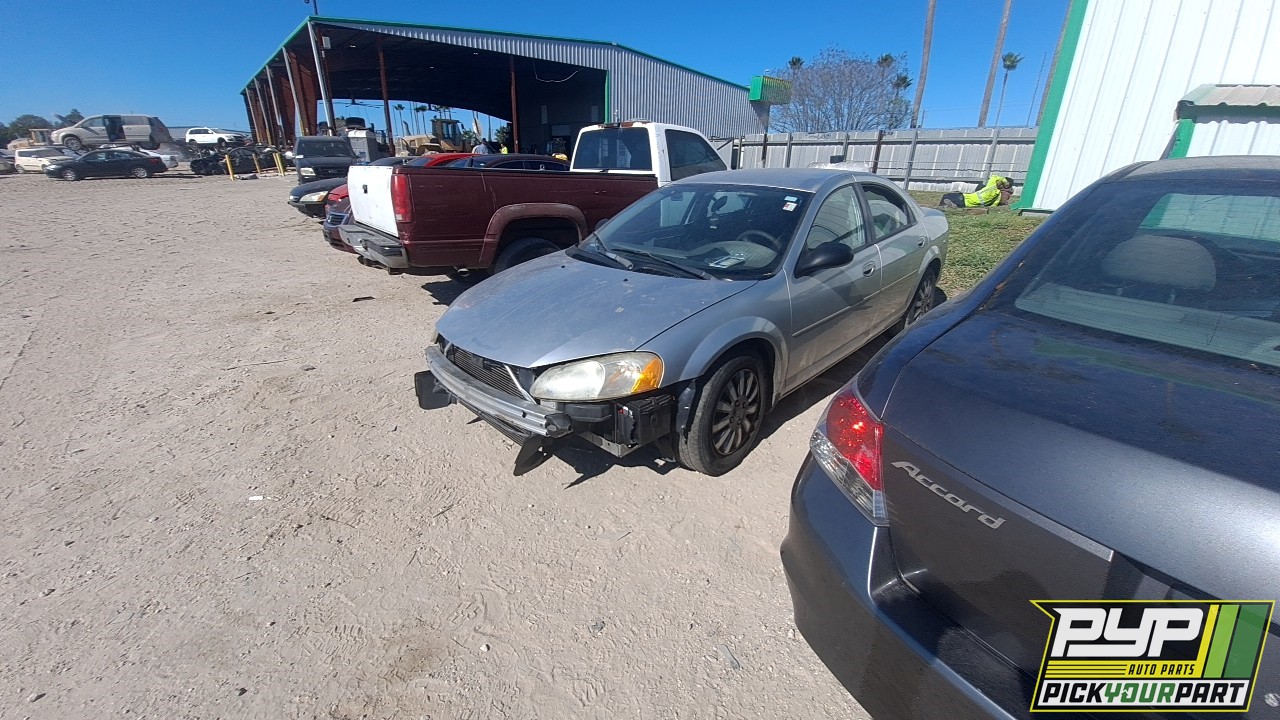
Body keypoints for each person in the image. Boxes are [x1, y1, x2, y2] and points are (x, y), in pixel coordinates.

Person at [940, 175, 1012, 209]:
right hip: (969, 204)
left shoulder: (992, 187)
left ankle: (942, 208)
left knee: (946, 196)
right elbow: (993, 205)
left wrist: (1004, 181)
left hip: (966, 198)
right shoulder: (998, 196)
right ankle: (953, 205)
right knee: (953, 196)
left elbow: (994, 177)